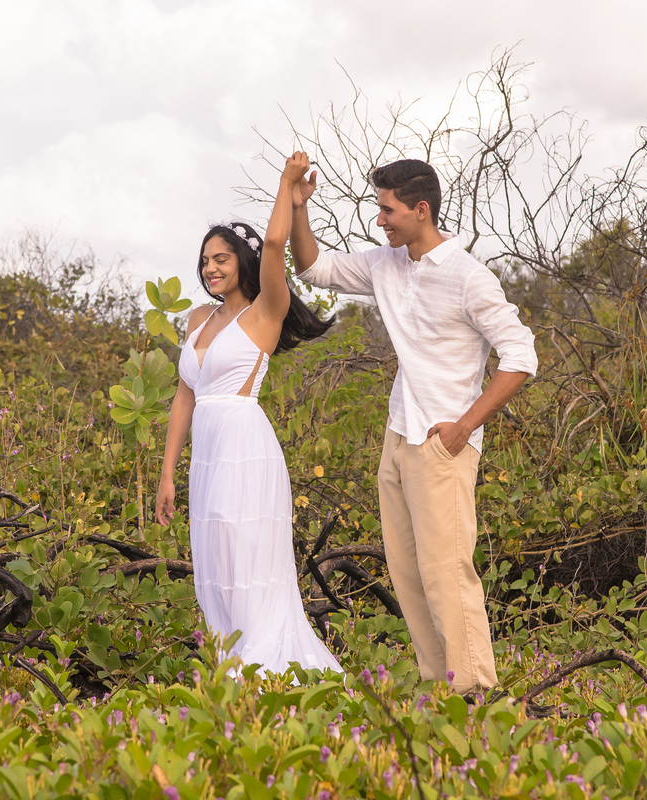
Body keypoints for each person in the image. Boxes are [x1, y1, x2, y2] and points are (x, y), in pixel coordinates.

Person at [288, 158, 537, 695]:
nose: (380, 220)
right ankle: (438, 684)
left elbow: (521, 356)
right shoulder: (386, 263)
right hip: (398, 436)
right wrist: (298, 207)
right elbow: (311, 268)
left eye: (388, 209)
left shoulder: (469, 277)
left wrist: (463, 427)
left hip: (443, 445)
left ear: (421, 210)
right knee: (408, 572)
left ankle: (475, 694)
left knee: (448, 573)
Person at [155, 152, 341, 676]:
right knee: (214, 560)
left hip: (244, 444)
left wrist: (287, 188)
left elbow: (278, 245)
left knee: (246, 555)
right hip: (207, 456)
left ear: (243, 261)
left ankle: (263, 669)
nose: (212, 268)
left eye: (222, 259)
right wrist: (168, 472)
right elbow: (184, 397)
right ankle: (229, 662)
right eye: (206, 260)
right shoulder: (194, 318)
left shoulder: (267, 310)